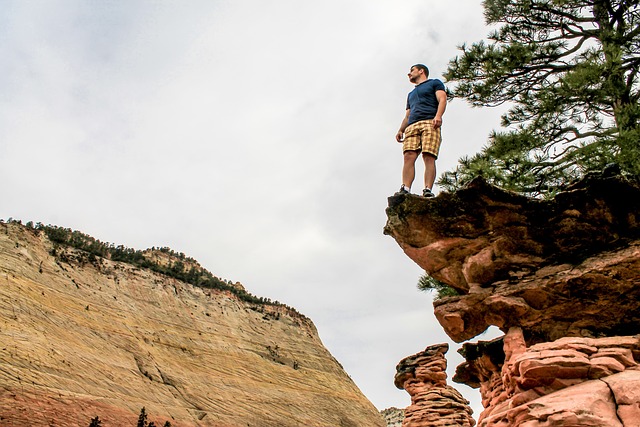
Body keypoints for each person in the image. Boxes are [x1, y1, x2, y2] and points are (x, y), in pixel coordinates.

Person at [395, 64, 447, 197]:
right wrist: (401, 129)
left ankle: (427, 189)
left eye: (412, 70)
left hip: (429, 121)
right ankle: (405, 188)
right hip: (412, 125)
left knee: (428, 155)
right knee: (408, 156)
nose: (409, 73)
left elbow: (442, 99)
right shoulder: (411, 94)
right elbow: (408, 114)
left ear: (421, 71)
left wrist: (438, 116)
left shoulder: (434, 83)